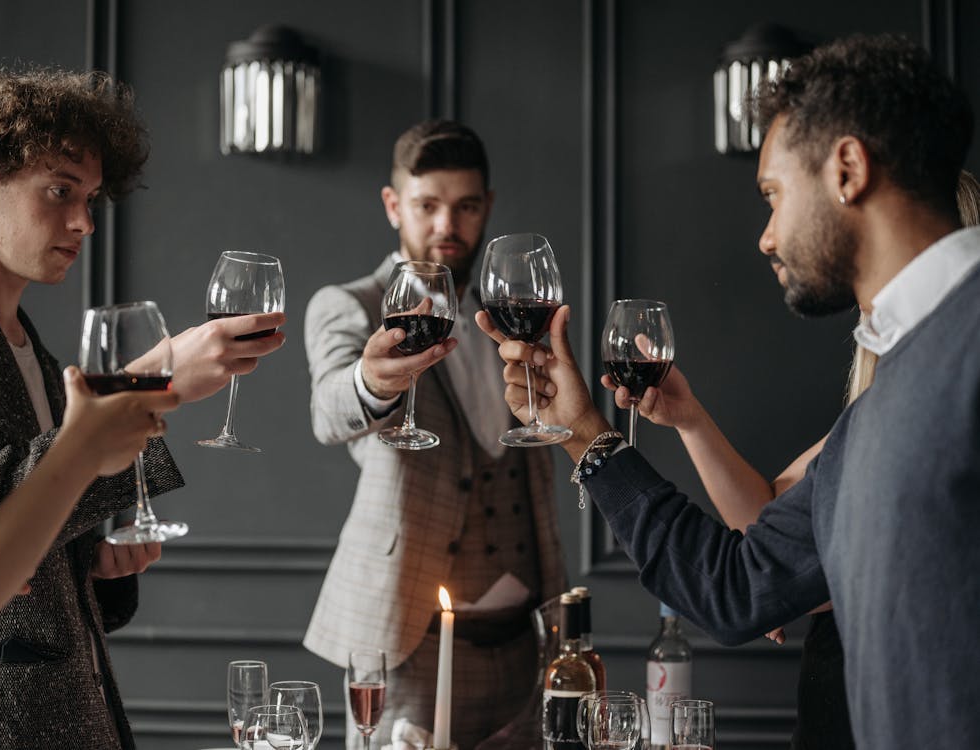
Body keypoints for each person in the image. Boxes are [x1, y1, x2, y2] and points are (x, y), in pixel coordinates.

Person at [480, 34, 978, 748]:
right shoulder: (877, 407)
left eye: (773, 195)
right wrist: (583, 431)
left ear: (846, 169)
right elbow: (737, 586)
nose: (765, 238)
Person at [0, 67, 285, 749]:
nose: (84, 221)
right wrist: (154, 379)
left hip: (77, 710)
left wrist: (98, 566)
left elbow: (42, 535)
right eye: (59, 191)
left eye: (90, 198)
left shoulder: (26, 343)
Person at [601, 169, 980, 750]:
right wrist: (690, 419)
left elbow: (750, 579)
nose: (768, 237)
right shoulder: (892, 389)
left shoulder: (937, 395)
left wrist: (589, 441)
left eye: (776, 198)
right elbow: (774, 522)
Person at [303, 120, 567, 749]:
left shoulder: (516, 311)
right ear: (394, 205)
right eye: (427, 205)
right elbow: (328, 410)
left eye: (466, 206)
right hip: (406, 646)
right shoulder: (351, 305)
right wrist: (372, 379)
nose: (447, 225)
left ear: (488, 209)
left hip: (526, 640)